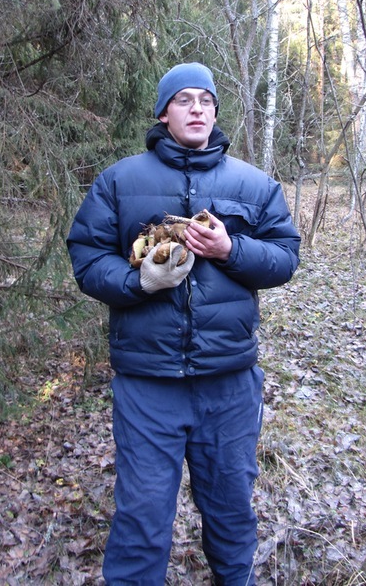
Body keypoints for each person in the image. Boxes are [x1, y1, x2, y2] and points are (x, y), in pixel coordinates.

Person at [67, 62, 300, 585]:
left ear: (215, 112)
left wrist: (230, 249)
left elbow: (285, 257)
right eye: (184, 100)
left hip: (229, 384)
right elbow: (87, 257)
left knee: (232, 514)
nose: (197, 109)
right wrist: (140, 283)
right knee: (142, 518)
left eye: (206, 100)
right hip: (148, 385)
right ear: (163, 113)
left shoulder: (254, 184)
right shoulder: (120, 181)